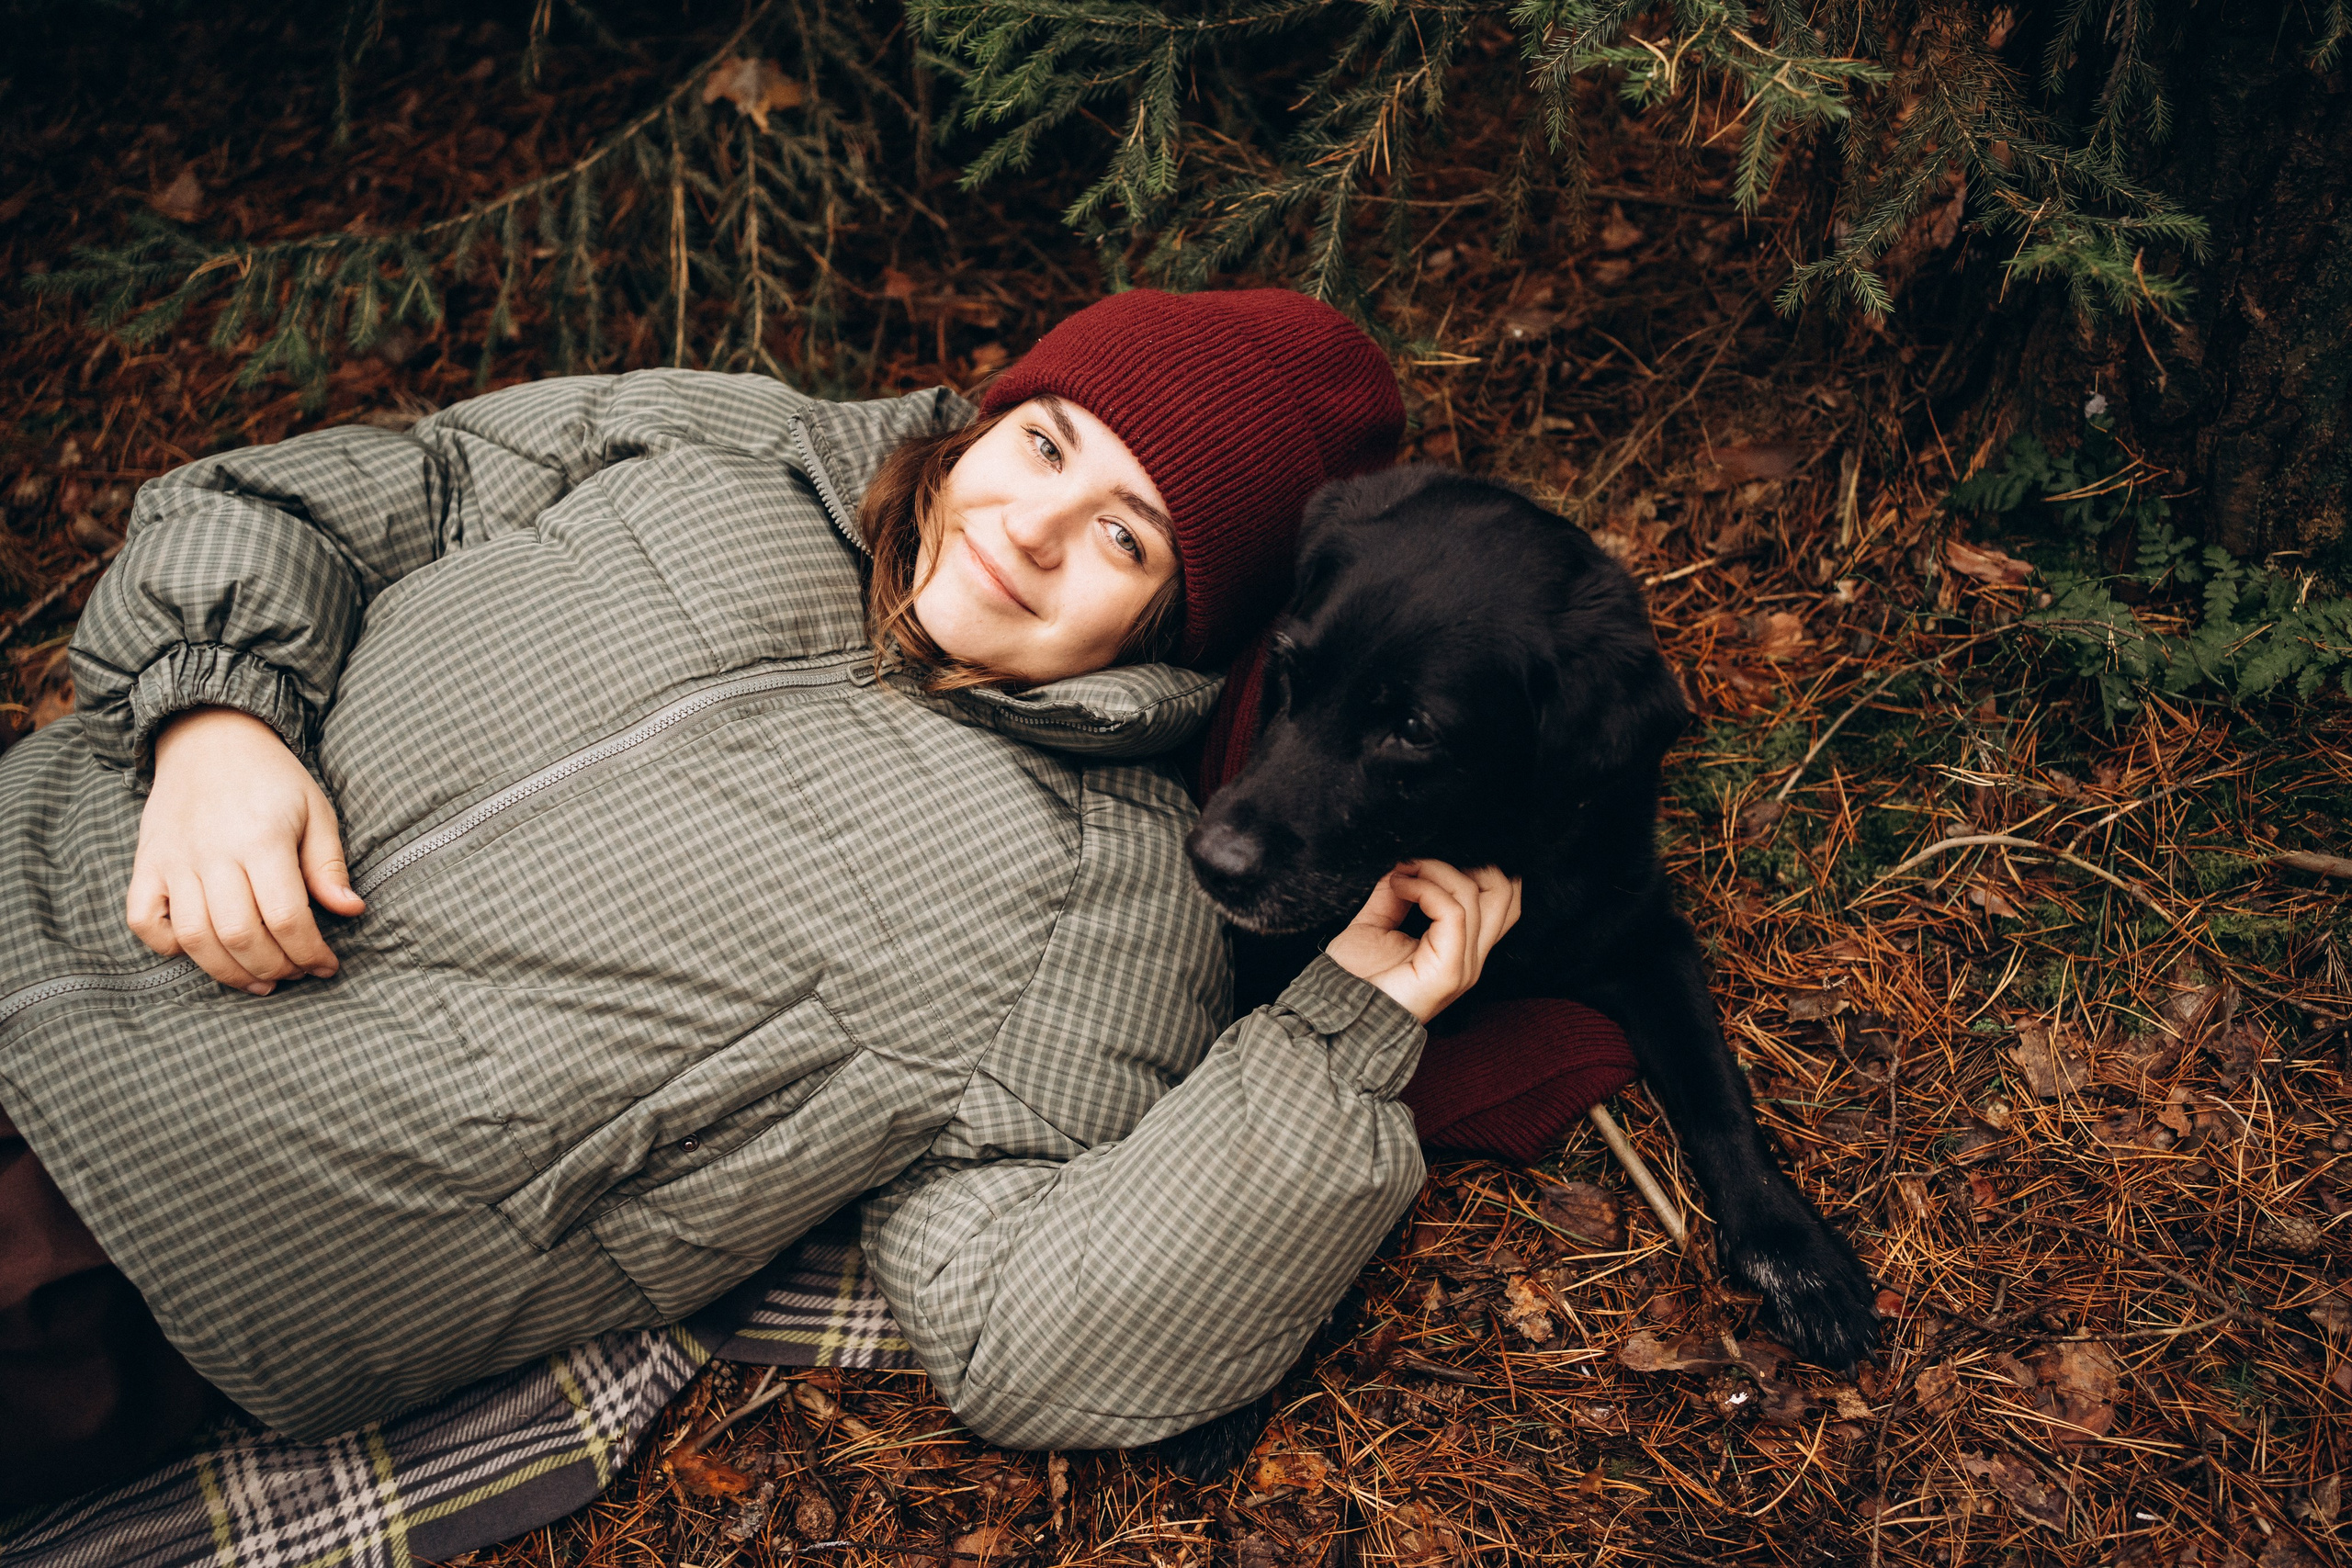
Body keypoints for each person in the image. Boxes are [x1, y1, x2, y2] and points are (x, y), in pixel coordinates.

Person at [0, 288, 1521, 1508]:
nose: (1034, 528)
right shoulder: (727, 444)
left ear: (1184, 618)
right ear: (994, 414)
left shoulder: (1100, 900)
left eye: (1128, 535)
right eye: (1048, 444)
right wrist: (217, 720)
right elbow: (333, 493)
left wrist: (1342, 1035)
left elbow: (1027, 1328)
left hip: (123, 1256)